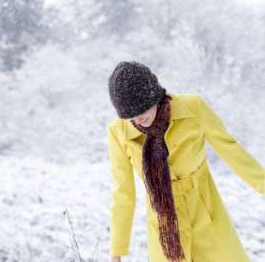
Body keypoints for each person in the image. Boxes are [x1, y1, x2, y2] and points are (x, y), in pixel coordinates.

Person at [106, 61, 264, 262]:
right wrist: (116, 251)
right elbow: (123, 193)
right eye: (130, 116)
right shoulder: (118, 133)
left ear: (154, 97)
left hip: (206, 215)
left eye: (142, 110)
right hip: (165, 228)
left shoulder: (193, 108)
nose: (138, 120)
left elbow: (231, 150)